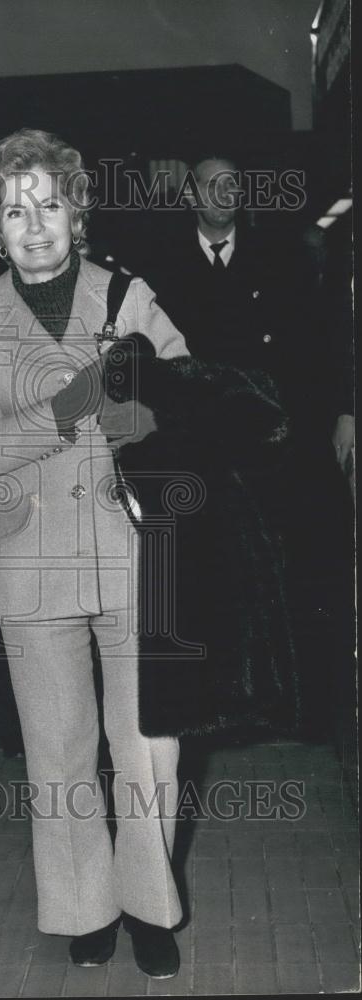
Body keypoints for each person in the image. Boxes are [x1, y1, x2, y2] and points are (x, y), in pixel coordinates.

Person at [0, 128, 191, 979]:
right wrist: (66, 409)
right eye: (15, 211)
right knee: (56, 751)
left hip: (132, 554)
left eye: (49, 204)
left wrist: (134, 412)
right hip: (32, 561)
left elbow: (187, 397)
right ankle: (83, 908)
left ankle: (149, 905)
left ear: (76, 212)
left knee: (144, 745)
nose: (35, 224)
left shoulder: (125, 297)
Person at [142, 155, 354, 742]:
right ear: (190, 196)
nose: (226, 192)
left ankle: (287, 701)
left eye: (233, 182)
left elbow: (314, 341)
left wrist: (339, 411)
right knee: (208, 572)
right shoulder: (161, 266)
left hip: (270, 438)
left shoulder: (278, 258)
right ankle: (216, 706)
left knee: (282, 567)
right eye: (213, 183)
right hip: (195, 440)